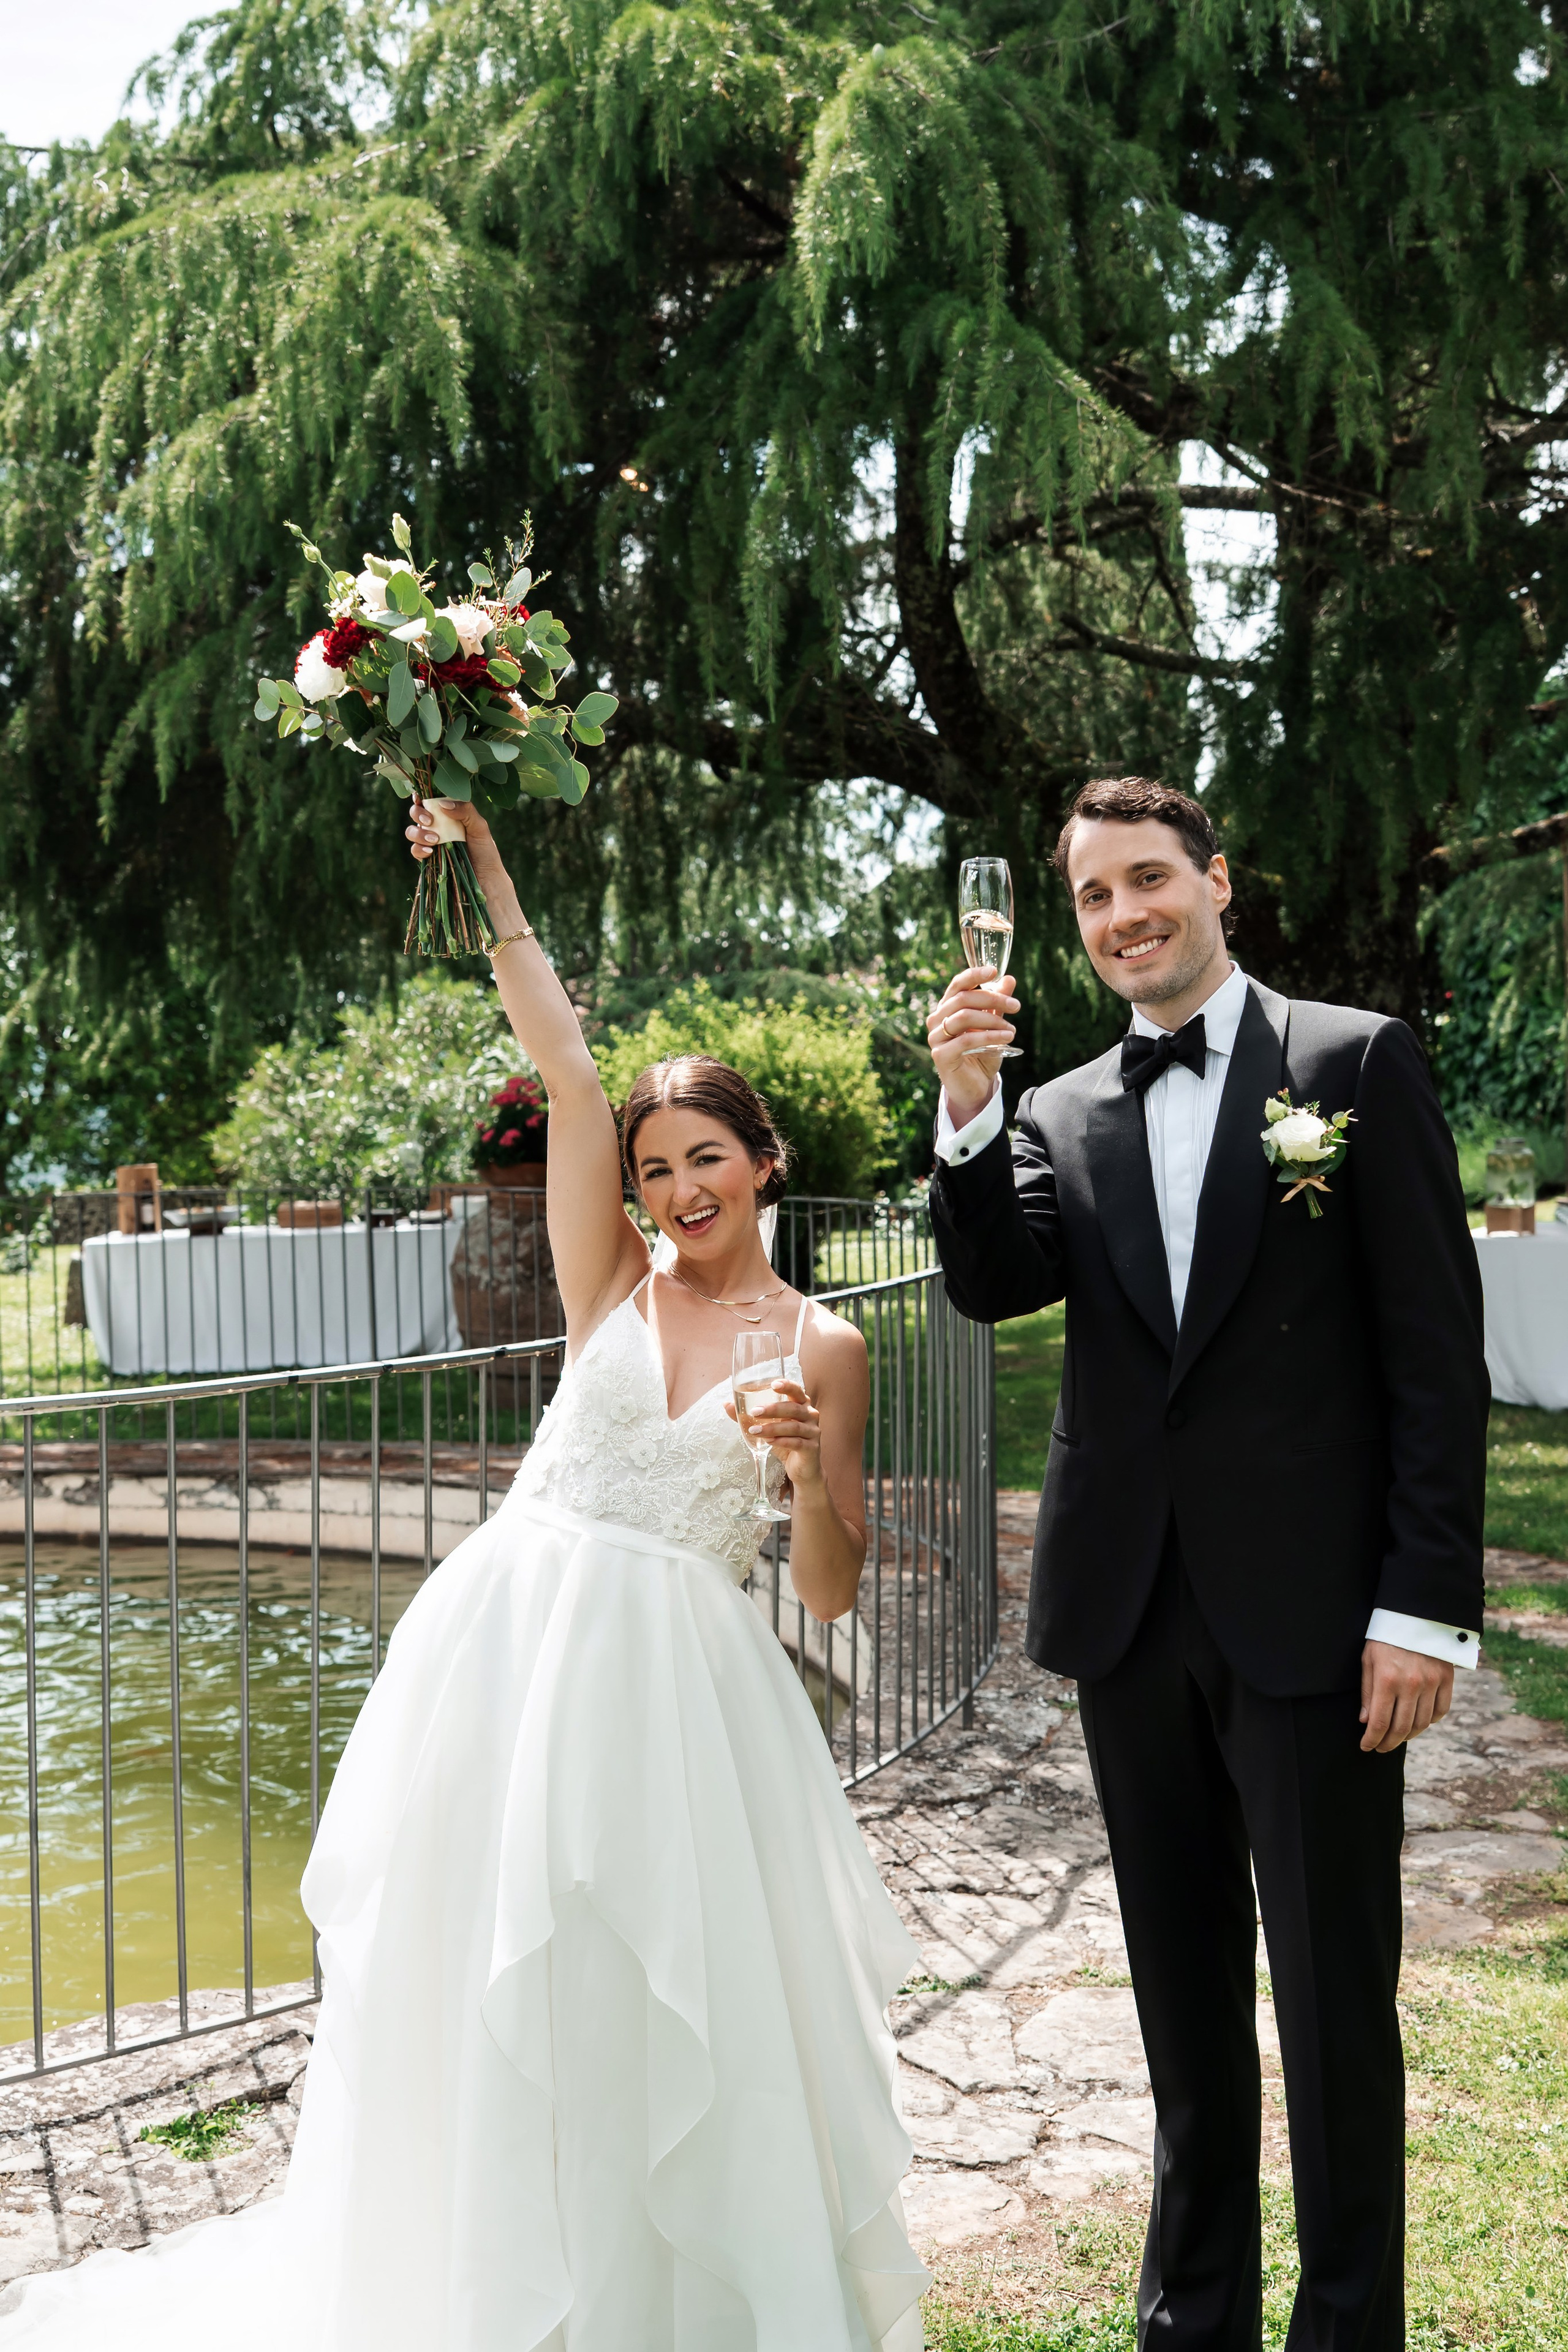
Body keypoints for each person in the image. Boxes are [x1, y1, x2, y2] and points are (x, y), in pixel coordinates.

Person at [3, 800, 928, 2352]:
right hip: (508, 1647)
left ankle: (656, 2303)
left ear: (766, 1162)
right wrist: (488, 866)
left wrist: (787, 1471)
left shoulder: (821, 1344)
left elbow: (828, 1591)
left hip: (682, 1697)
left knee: (658, 1989)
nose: (679, 1186)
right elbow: (564, 1062)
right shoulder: (609, 1285)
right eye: (653, 1165)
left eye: (707, 1156)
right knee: (483, 1964)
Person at [924, 776, 1488, 2352]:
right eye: (1093, 897)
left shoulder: (1350, 1060)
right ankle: (1192, 2320)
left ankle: (1347, 2326)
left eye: (1147, 880)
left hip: (1317, 1622)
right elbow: (988, 1287)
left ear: (1215, 882)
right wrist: (969, 1108)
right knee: (1179, 2009)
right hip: (1128, 1614)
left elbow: (1432, 1362)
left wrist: (1420, 1607)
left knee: (1326, 2011)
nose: (1122, 917)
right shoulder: (1055, 1110)